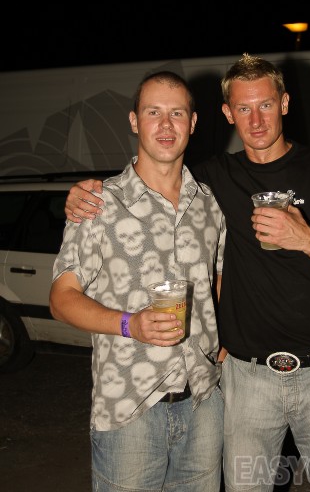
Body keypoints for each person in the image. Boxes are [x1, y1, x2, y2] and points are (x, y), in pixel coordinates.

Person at [64, 54, 310, 492]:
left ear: (285, 103)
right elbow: (157, 168)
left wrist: (306, 238)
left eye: (265, 105)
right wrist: (82, 191)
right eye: (243, 108)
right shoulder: (213, 180)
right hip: (247, 380)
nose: (256, 120)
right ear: (227, 113)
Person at [50, 71, 226, 492]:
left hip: (204, 402)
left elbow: (218, 279)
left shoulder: (210, 205)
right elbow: (61, 299)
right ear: (134, 121)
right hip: (130, 408)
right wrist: (131, 324)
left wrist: (223, 339)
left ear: (193, 123)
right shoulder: (98, 204)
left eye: (177, 113)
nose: (165, 125)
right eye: (153, 112)